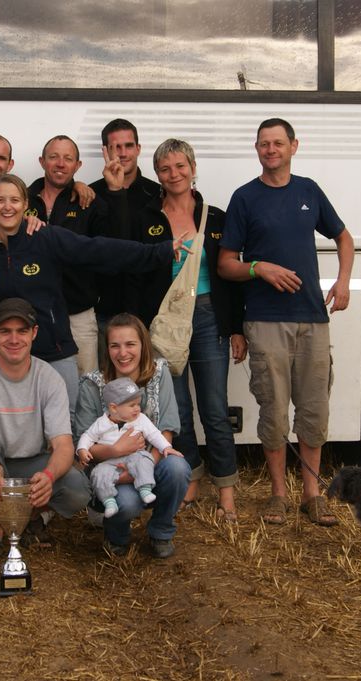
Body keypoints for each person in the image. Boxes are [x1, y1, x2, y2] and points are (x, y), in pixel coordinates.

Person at [217, 117, 354, 527]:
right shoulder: (244, 198)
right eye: (263, 144)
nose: (270, 150)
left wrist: (343, 281)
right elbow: (226, 265)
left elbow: (344, 237)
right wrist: (259, 268)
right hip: (265, 320)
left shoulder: (309, 191)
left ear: (294, 146)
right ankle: (278, 495)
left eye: (278, 143)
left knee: (314, 411)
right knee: (273, 413)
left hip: (313, 318)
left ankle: (312, 494)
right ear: (256, 149)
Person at [0, 173, 188, 413]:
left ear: (26, 205)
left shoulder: (44, 237)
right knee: (14, 419)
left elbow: (100, 250)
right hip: (9, 353)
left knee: (69, 419)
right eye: (0, 200)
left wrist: (160, 251)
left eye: (14, 200)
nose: (7, 207)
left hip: (54, 350)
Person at [125, 139, 246, 521]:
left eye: (180, 166)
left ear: (193, 168)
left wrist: (237, 328)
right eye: (165, 168)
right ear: (157, 174)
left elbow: (231, 278)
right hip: (165, 321)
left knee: (214, 407)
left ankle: (226, 487)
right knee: (176, 408)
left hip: (209, 316)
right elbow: (140, 275)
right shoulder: (148, 218)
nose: (174, 174)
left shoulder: (218, 217)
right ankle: (191, 476)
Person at [0, 298, 92, 570]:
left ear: (34, 333)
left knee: (77, 488)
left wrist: (47, 476)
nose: (14, 339)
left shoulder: (48, 378)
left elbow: (63, 445)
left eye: (22, 331)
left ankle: (25, 519)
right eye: (5, 331)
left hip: (29, 464)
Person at [74, 313, 190, 558]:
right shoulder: (93, 385)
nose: (122, 353)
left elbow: (166, 431)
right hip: (110, 469)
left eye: (130, 344)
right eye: (115, 345)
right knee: (125, 504)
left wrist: (140, 470)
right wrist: (116, 452)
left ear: (143, 345)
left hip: (149, 462)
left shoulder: (159, 373)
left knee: (178, 469)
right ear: (107, 349)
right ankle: (116, 536)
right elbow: (85, 445)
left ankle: (161, 531)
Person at [28, 135, 112, 375]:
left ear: (78, 165)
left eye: (68, 158)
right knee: (35, 384)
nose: (60, 164)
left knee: (86, 384)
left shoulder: (89, 202)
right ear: (42, 161)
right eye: (54, 157)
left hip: (79, 313)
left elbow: (108, 249)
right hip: (35, 314)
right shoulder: (22, 200)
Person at [89, 119, 162, 350]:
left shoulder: (158, 193)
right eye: (115, 147)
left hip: (152, 313)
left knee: (152, 385)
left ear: (138, 149)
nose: (122, 153)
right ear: (105, 151)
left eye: (128, 146)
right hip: (104, 313)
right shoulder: (90, 194)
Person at [77, 377, 183, 518]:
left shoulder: (141, 419)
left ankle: (145, 488)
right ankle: (109, 501)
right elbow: (87, 436)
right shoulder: (101, 423)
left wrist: (166, 447)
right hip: (110, 463)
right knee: (98, 473)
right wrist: (82, 449)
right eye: (132, 405)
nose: (138, 409)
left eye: (138, 404)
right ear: (114, 408)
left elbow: (154, 434)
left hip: (135, 457)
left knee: (145, 458)